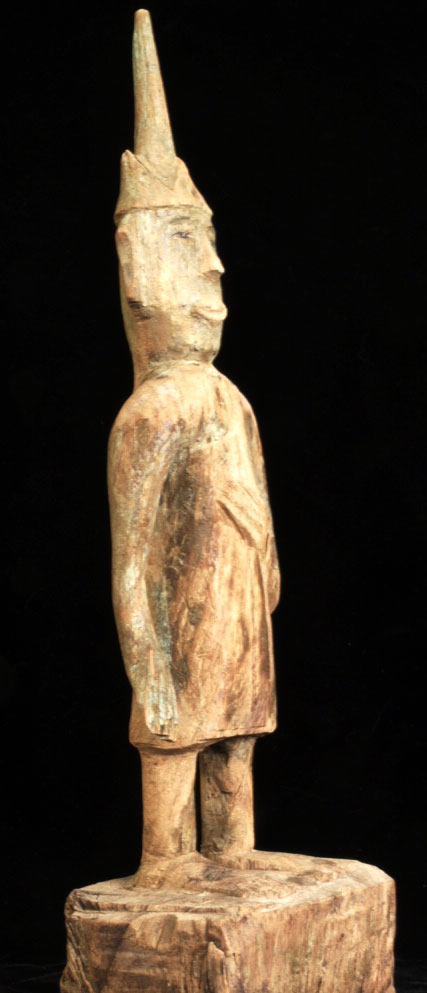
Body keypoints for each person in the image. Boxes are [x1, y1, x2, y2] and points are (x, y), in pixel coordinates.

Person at [109, 9, 281, 878]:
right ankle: (165, 863)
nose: (213, 267)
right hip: (182, 629)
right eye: (190, 244)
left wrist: (268, 578)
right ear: (143, 268)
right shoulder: (149, 414)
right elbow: (132, 556)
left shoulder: (229, 397)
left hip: (239, 620)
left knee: (237, 739)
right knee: (175, 741)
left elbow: (258, 509)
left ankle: (234, 854)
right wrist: (148, 664)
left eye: (209, 244)